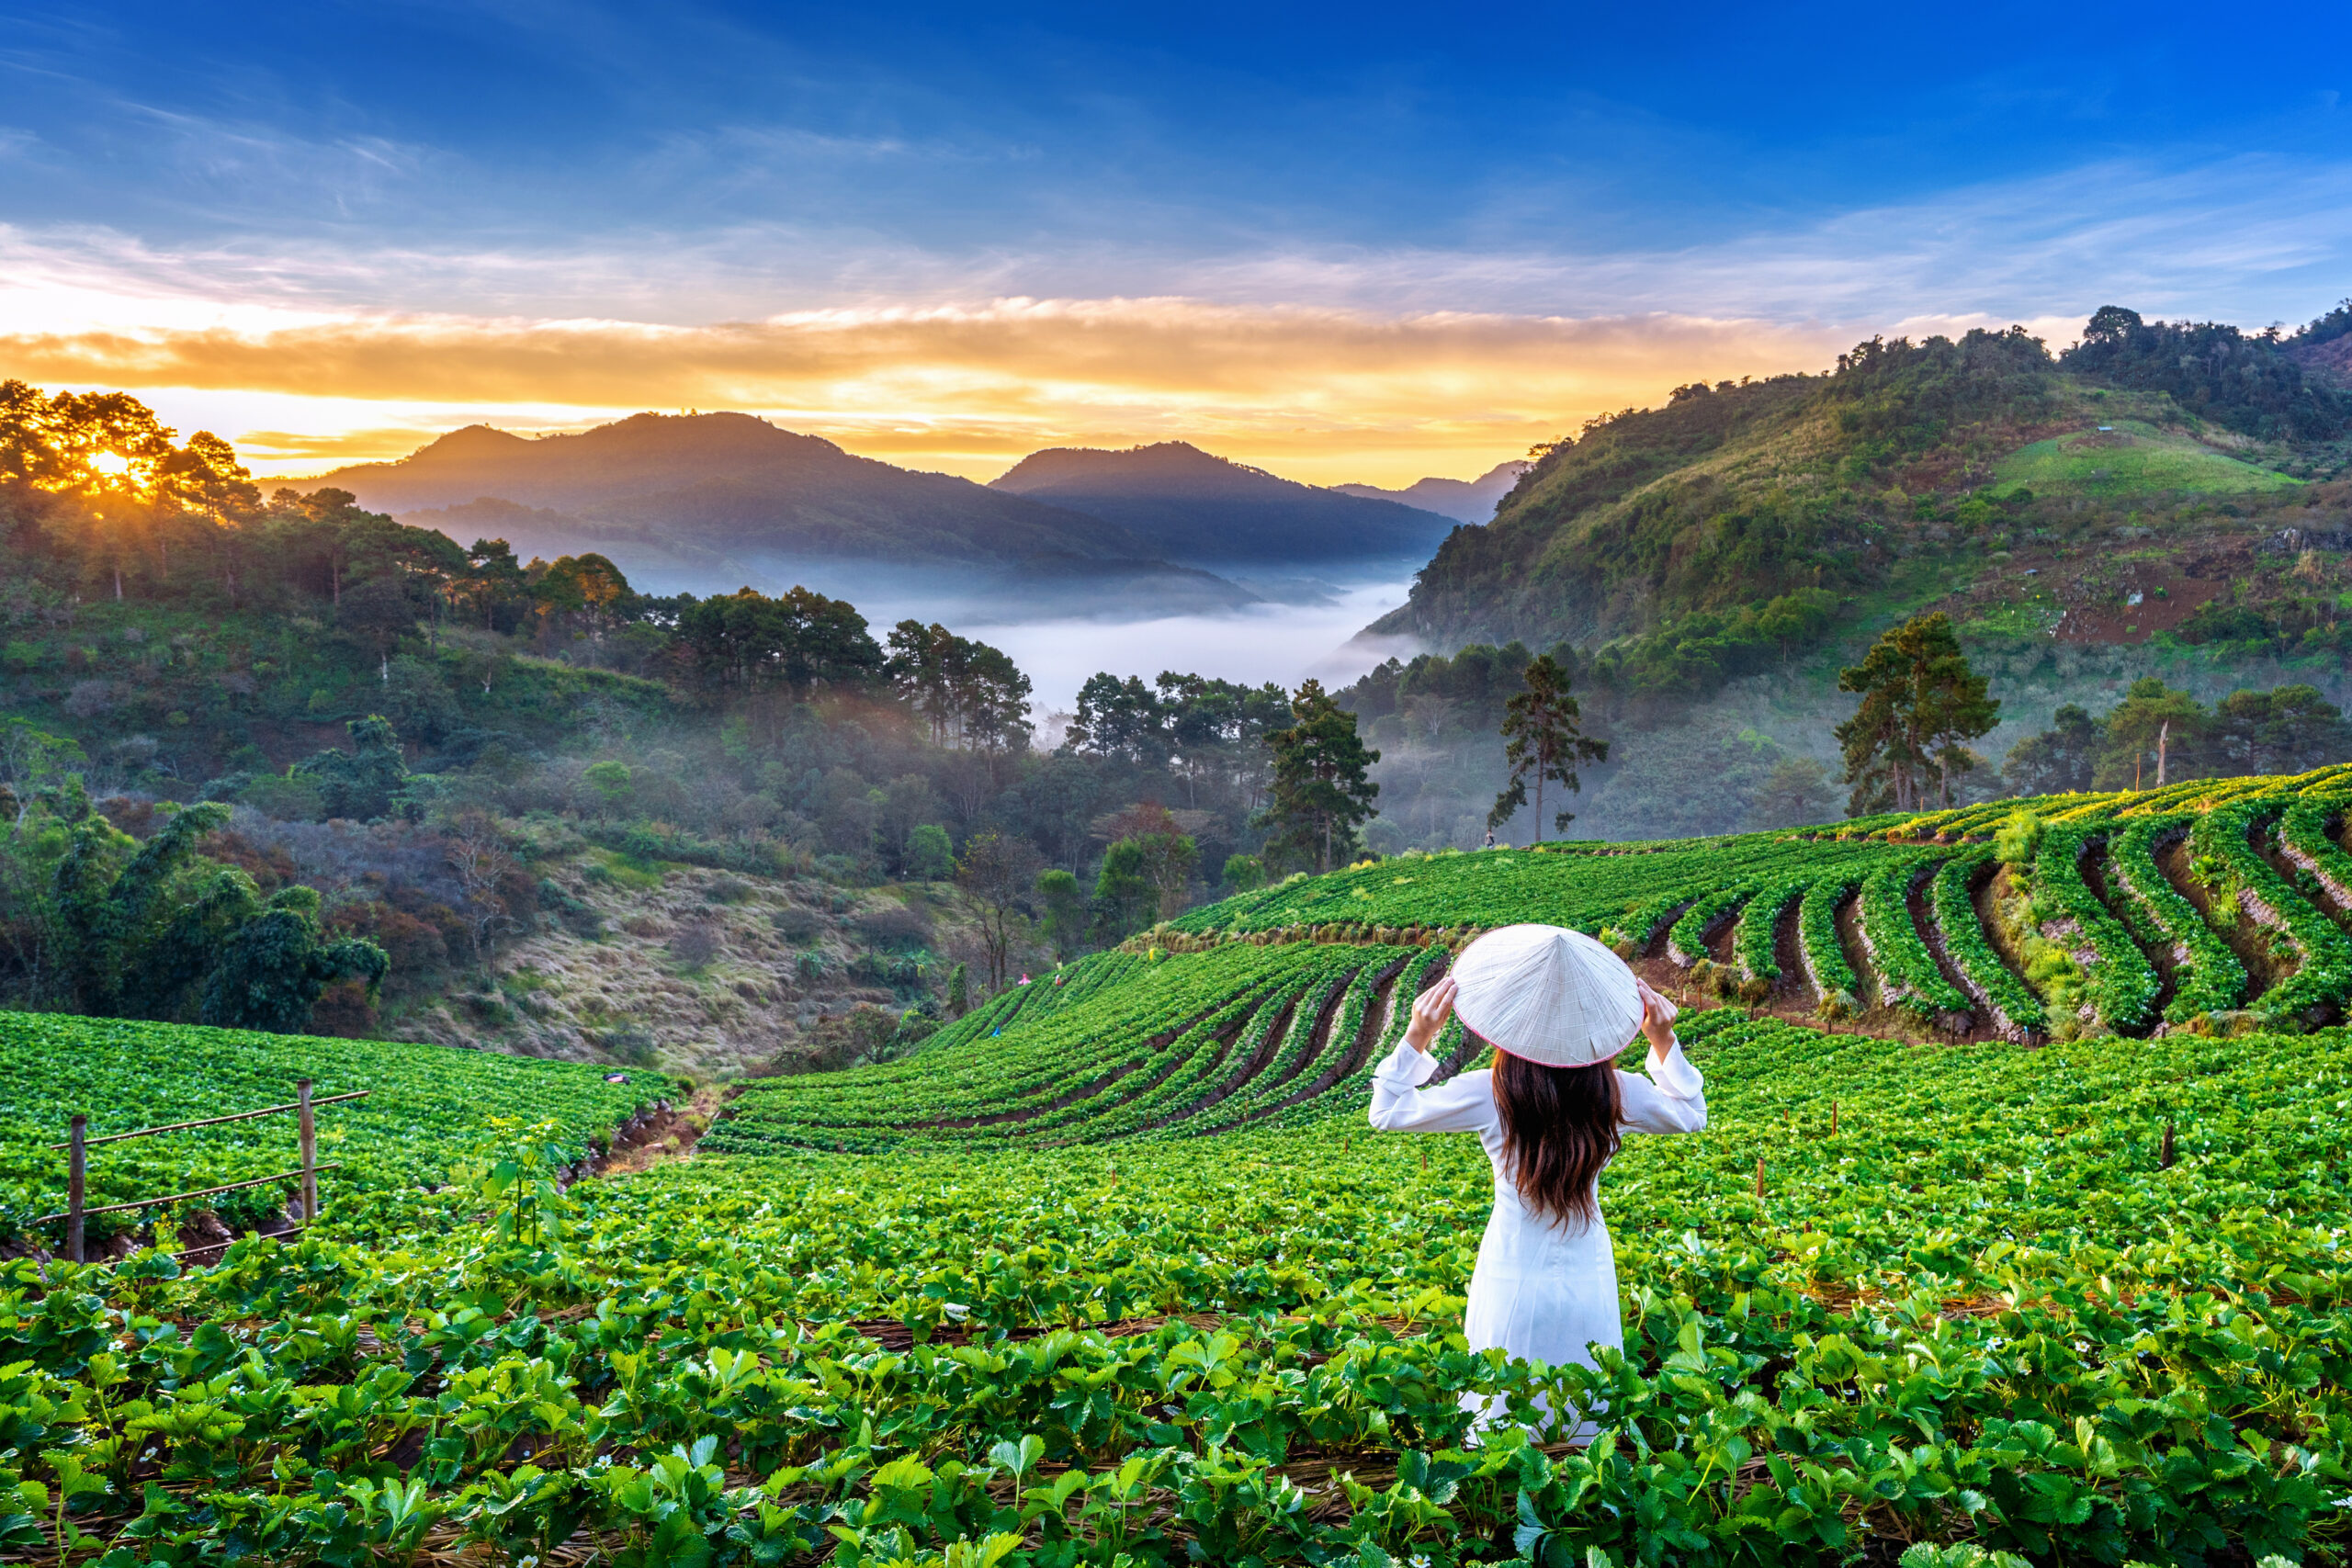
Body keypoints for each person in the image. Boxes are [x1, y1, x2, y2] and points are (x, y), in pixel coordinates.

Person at [1368, 923, 1705, 1438]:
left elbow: (1388, 1110)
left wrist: (1418, 1034)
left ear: (1513, 1022)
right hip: (1586, 1269)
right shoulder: (1616, 1092)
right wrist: (1662, 1039)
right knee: (1582, 1405)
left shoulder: (1491, 1091)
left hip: (1510, 1267)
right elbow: (1690, 1113)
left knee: (1501, 1406)